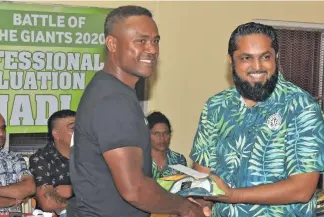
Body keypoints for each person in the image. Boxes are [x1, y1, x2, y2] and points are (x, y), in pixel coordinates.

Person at [69, 5, 209, 217]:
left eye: (155, 41)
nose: (152, 49)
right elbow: (135, 189)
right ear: (112, 44)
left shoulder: (109, 89)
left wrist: (177, 200)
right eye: (141, 41)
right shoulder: (114, 100)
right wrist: (187, 209)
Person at [190, 22, 324, 217]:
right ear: (231, 60)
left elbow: (302, 189)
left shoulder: (300, 106)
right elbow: (203, 175)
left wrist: (233, 195)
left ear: (276, 57)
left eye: (265, 57)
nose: (257, 67)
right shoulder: (216, 106)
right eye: (246, 58)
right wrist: (197, 203)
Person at [29, 109, 76, 217]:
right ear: (56, 134)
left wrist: (72, 189)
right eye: (73, 128)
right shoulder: (41, 158)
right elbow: (47, 203)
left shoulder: (92, 155)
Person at [0, 111, 36, 213]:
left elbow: (29, 188)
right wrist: (12, 201)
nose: (1, 133)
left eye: (2, 128)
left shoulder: (15, 158)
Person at [147, 111, 187, 179]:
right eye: (157, 133)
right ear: (146, 134)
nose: (162, 138)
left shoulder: (179, 160)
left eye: (165, 133)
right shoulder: (140, 161)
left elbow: (185, 186)